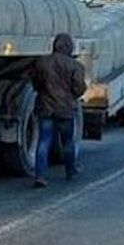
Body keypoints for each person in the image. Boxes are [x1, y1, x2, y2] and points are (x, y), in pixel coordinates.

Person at [28, 32, 87, 188]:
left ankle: (40, 175)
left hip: (45, 107)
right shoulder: (76, 66)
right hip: (66, 109)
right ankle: (70, 170)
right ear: (69, 47)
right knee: (67, 141)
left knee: (43, 141)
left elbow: (35, 83)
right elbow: (79, 89)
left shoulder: (42, 62)